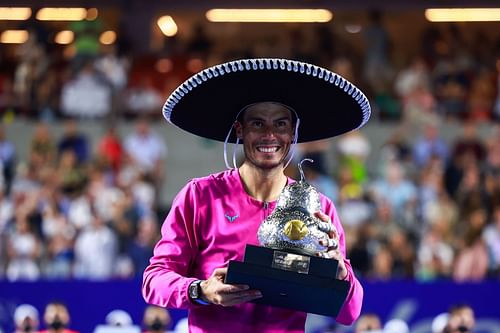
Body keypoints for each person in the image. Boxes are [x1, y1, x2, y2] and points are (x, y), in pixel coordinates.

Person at [142, 58, 370, 332]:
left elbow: (350, 312)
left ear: (293, 132)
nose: (270, 135)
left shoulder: (319, 208)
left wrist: (340, 273)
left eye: (281, 124)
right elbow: (154, 279)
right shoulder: (200, 196)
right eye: (258, 124)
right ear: (240, 130)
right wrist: (200, 290)